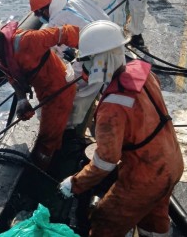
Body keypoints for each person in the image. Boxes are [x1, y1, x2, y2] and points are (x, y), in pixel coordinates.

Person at [59, 20, 184, 236]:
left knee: (104, 221)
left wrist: (74, 184)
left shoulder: (112, 107)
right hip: (171, 163)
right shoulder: (142, 74)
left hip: (143, 177)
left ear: (102, 60)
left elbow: (105, 162)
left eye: (88, 61)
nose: (85, 67)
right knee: (154, 219)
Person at [0, 14, 80, 170]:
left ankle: (42, 169)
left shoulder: (27, 40)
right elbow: (12, 75)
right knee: (50, 130)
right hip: (43, 89)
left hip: (58, 91)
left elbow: (67, 32)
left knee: (47, 138)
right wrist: (21, 99)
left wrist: (89, 57)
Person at [28, 0, 110, 134]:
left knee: (73, 90)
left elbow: (53, 54)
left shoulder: (56, 21)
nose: (38, 18)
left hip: (98, 57)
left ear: (44, 10)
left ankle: (71, 128)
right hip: (111, 40)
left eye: (38, 14)